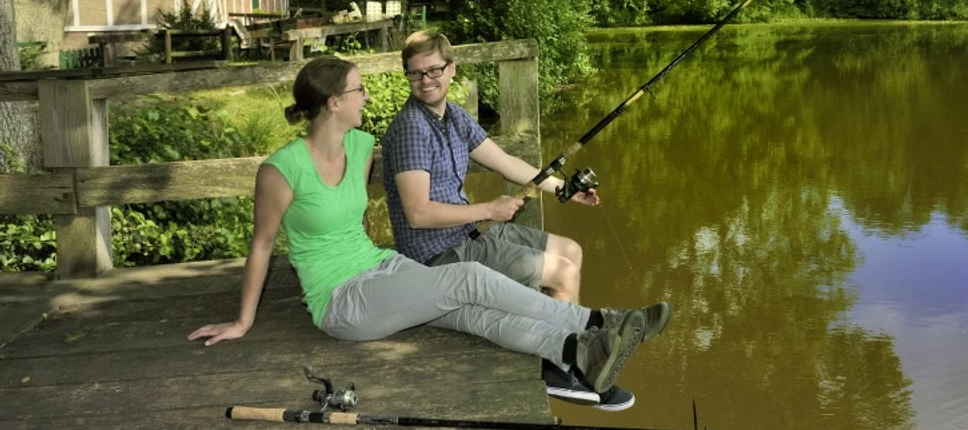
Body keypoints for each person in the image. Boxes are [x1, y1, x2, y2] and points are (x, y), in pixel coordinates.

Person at [188, 56, 660, 401]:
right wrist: (243, 320)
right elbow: (262, 245)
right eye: (358, 91)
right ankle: (600, 322)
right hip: (340, 301)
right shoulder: (280, 170)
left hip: (383, 266)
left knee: (474, 313)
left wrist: (554, 187)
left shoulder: (362, 145)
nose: (367, 97)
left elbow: (466, 166)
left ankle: (575, 351)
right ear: (333, 103)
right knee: (468, 279)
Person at [380, 30, 671, 409]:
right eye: (415, 74)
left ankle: (574, 356)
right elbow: (417, 215)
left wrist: (564, 189)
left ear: (451, 69)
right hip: (439, 256)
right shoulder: (411, 129)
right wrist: (488, 209)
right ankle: (563, 368)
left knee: (571, 250)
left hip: (468, 234)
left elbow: (508, 163)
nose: (425, 81)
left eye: (433, 70)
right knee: (561, 272)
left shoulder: (453, 117)